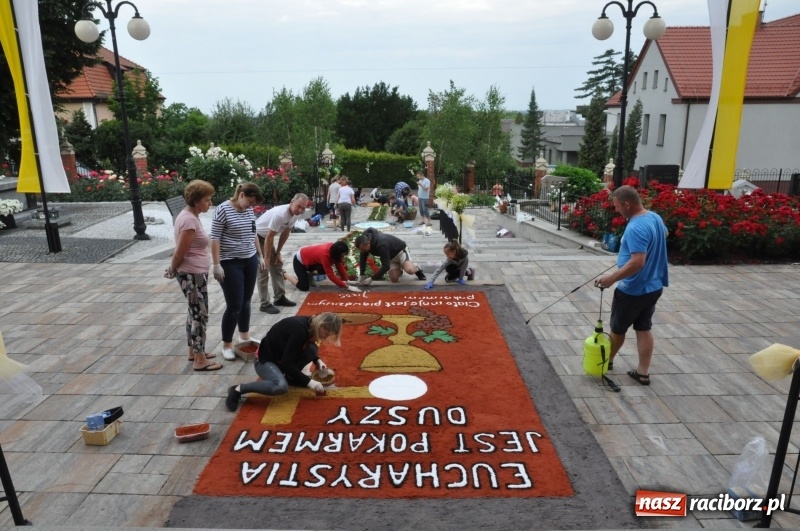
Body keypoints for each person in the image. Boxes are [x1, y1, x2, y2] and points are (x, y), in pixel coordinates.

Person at [596, 185, 669, 386]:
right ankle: (642, 373)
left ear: (627, 204)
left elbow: (638, 262)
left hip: (633, 290)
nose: (616, 210)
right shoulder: (654, 217)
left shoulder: (635, 227)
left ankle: (606, 362)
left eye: (617, 206)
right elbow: (664, 234)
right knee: (644, 328)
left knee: (618, 329)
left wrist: (612, 278)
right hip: (654, 287)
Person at [225, 313, 343, 411]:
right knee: (280, 386)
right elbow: (286, 363)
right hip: (264, 360)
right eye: (326, 334)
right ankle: (238, 389)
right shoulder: (299, 330)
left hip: (281, 357)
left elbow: (298, 346)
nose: (325, 338)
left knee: (312, 349)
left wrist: (317, 360)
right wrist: (309, 382)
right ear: (321, 325)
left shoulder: (311, 323)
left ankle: (290, 377)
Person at [165, 180, 222, 371]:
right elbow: (180, 251)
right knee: (200, 314)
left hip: (194, 273)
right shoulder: (189, 221)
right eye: (207, 200)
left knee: (193, 312)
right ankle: (200, 360)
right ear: (196, 201)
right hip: (192, 274)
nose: (210, 203)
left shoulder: (189, 216)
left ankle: (194, 352)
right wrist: (172, 269)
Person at [211, 182, 265, 361]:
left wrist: (260, 255)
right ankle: (226, 345)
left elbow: (253, 233)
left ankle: (244, 336)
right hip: (230, 262)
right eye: (250, 202)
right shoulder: (222, 210)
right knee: (234, 305)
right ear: (241, 195)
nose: (251, 206)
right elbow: (215, 238)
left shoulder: (248, 211)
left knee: (246, 301)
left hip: (249, 259)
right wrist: (216, 264)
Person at [255, 193, 309, 314]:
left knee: (277, 265)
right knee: (264, 269)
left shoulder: (294, 215)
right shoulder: (280, 214)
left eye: (303, 208)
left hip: (268, 238)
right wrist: (266, 258)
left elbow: (285, 233)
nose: (300, 210)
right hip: (257, 237)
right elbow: (269, 237)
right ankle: (265, 304)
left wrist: (278, 253)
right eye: (298, 206)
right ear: (291, 202)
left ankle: (279, 298)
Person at [283, 241, 362, 292]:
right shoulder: (325, 256)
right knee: (304, 287)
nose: (343, 257)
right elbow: (331, 276)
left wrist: (346, 280)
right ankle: (284, 274)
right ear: (336, 254)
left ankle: (309, 274)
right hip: (300, 261)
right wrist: (348, 287)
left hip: (311, 262)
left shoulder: (334, 249)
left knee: (323, 270)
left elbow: (339, 265)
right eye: (342, 255)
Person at [354, 227, 426, 283]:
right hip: (390, 257)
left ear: (368, 243)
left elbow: (386, 266)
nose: (363, 251)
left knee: (410, 270)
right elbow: (363, 258)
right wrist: (361, 275)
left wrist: (372, 278)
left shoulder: (381, 244)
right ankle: (400, 269)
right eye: (361, 250)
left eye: (363, 249)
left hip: (400, 252)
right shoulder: (364, 241)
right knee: (394, 279)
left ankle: (416, 269)